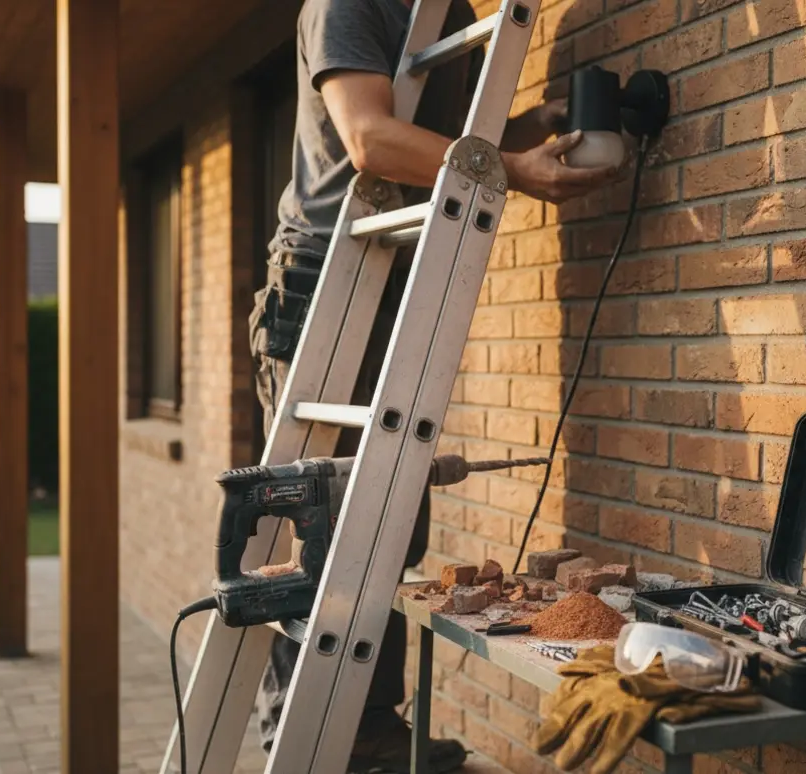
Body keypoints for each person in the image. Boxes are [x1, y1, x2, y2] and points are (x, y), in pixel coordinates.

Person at [249, 0, 621, 771]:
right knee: (331, 530)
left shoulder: (446, 12)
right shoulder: (348, 3)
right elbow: (371, 139)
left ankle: (369, 730)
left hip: (397, 278)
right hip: (331, 278)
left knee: (392, 528)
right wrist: (513, 172)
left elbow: (451, 142)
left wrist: (533, 126)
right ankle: (310, 735)